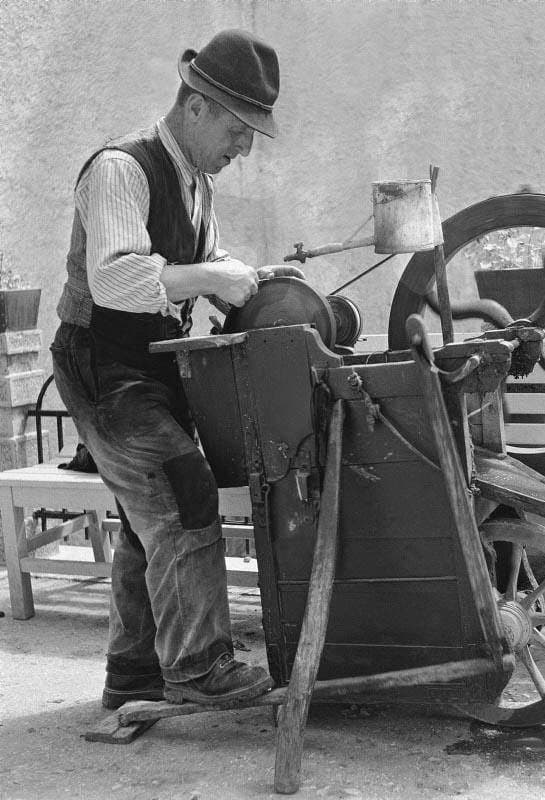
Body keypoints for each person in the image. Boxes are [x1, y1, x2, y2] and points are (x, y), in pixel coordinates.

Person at [51, 29, 291, 709]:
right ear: (195, 108)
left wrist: (254, 280)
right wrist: (211, 274)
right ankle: (197, 665)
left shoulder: (194, 183)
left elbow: (201, 273)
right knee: (181, 490)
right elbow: (117, 281)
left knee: (144, 517)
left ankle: (132, 672)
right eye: (238, 128)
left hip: (151, 368)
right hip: (102, 364)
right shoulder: (120, 169)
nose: (243, 148)